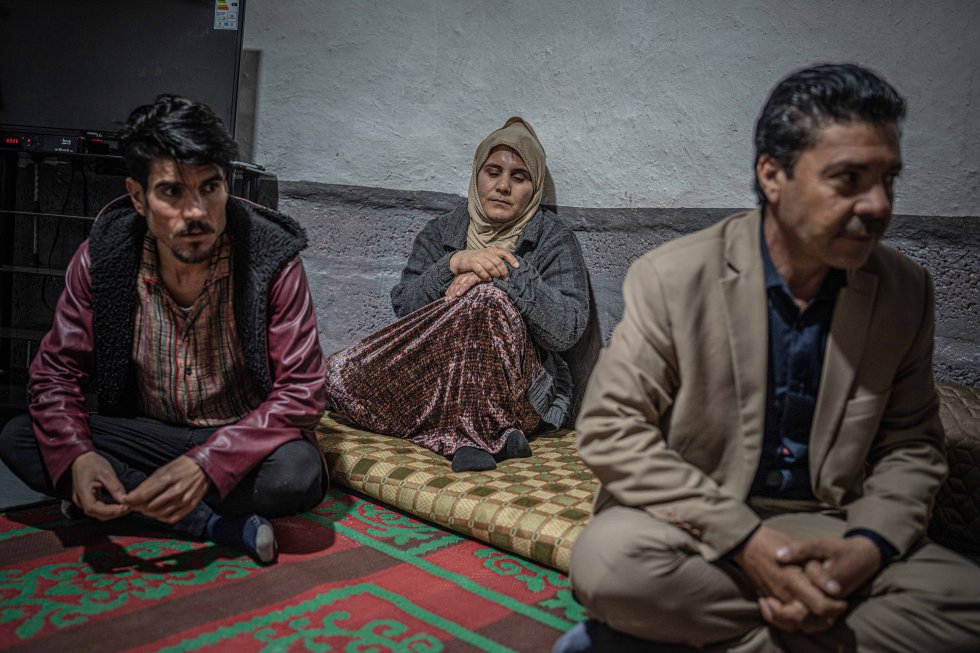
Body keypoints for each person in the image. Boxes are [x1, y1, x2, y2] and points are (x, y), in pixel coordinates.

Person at [556, 64, 980, 652]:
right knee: (609, 565)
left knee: (966, 603)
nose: (878, 205)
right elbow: (610, 429)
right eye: (849, 179)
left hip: (832, 527)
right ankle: (821, 623)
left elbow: (911, 445)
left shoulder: (904, 291)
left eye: (889, 179)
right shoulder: (674, 276)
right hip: (699, 519)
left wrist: (866, 549)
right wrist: (746, 542)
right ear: (773, 175)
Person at [0, 95, 328, 564]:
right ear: (138, 196)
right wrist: (78, 456)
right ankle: (215, 525)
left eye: (210, 187)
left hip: (239, 433)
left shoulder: (271, 259)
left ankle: (120, 501)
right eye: (172, 192)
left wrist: (210, 464)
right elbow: (56, 374)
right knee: (22, 437)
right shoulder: (103, 257)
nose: (196, 212)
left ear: (226, 184)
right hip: (146, 434)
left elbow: (302, 393)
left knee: (296, 473)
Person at [324, 117, 598, 472]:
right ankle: (480, 434)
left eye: (519, 177)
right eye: (493, 172)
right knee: (338, 376)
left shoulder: (554, 239)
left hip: (519, 394)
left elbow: (567, 330)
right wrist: (454, 263)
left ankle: (475, 437)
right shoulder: (442, 232)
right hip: (437, 380)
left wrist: (499, 272)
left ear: (535, 188)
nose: (503, 186)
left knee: (487, 300)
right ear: (476, 174)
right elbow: (405, 310)